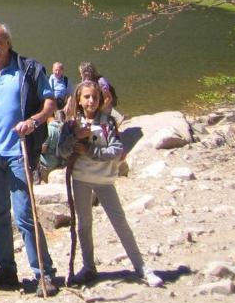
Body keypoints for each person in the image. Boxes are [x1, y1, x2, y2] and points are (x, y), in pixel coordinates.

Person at [0, 22, 59, 296]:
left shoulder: (29, 69)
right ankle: (6, 269)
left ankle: (43, 273)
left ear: (8, 41)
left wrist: (33, 122)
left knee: (25, 215)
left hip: (18, 153)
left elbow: (50, 103)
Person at [58, 81, 162, 287]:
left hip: (104, 180)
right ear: (78, 100)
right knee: (84, 224)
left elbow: (115, 151)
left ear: (100, 99)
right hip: (80, 179)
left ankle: (141, 267)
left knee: (119, 222)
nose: (90, 101)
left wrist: (89, 149)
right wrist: (74, 139)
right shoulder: (71, 125)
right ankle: (88, 266)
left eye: (94, 97)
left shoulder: (106, 123)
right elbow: (61, 151)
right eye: (86, 97)